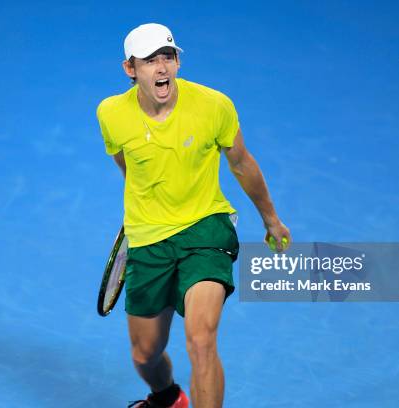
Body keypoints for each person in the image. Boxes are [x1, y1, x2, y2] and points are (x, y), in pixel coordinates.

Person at [96, 23, 291, 408]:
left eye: (167, 57)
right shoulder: (111, 114)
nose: (161, 67)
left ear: (178, 61)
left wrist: (271, 218)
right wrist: (142, 212)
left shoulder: (214, 105)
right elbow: (130, 169)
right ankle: (168, 398)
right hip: (149, 240)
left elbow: (241, 162)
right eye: (150, 60)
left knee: (201, 340)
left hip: (206, 230)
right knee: (145, 355)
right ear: (130, 69)